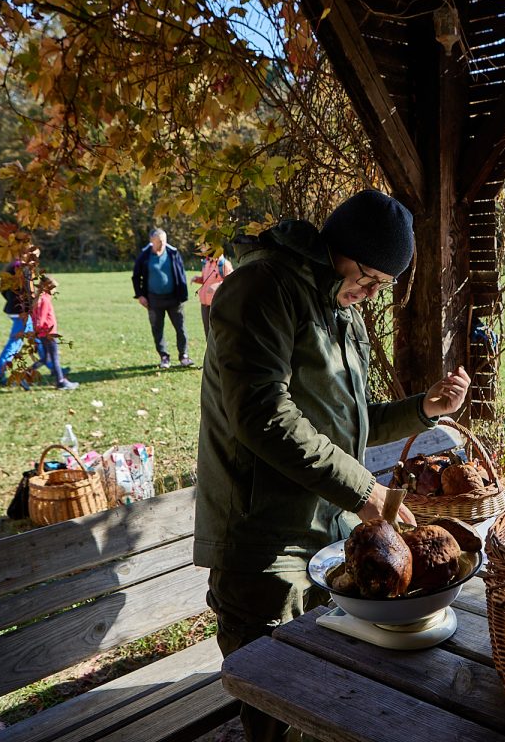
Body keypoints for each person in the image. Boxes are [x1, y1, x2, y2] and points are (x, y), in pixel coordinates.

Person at [194, 189, 471, 742]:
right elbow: (262, 414)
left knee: (325, 702)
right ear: (337, 248)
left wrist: (423, 409)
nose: (368, 294)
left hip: (326, 536)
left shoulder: (341, 313)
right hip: (263, 541)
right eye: (367, 277)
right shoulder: (263, 288)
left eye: (381, 288)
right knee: (274, 705)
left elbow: (348, 421)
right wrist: (362, 489)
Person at [131, 228, 192, 369]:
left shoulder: (173, 253)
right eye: (159, 241)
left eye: (164, 240)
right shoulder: (144, 256)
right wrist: (140, 295)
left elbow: (181, 274)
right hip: (153, 300)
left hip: (174, 299)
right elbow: (136, 277)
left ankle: (184, 356)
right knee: (157, 329)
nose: (163, 244)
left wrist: (183, 295)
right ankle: (164, 356)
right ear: (152, 241)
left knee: (181, 328)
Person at [28, 275, 78, 390]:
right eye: (53, 287)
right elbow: (41, 319)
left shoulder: (39, 298)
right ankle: (61, 382)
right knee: (55, 358)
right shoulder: (44, 300)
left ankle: (25, 375)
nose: (55, 290)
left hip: (43, 334)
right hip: (48, 334)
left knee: (46, 359)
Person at [0, 256, 34, 385]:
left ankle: (54, 367)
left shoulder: (9, 268)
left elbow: (2, 290)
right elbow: (30, 293)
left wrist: (11, 300)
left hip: (13, 310)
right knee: (15, 343)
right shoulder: (25, 269)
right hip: (22, 312)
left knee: (38, 338)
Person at [191, 245, 233, 339]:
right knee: (208, 332)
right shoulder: (206, 263)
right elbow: (205, 280)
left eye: (204, 247)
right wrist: (197, 279)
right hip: (204, 305)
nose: (202, 249)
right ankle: (211, 353)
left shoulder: (224, 264)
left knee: (218, 332)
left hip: (217, 304)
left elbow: (231, 282)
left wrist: (217, 286)